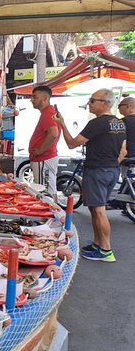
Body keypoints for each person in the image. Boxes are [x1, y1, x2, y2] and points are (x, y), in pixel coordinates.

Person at [54, 89, 127, 262]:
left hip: (98, 170)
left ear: (105, 103)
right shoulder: (119, 123)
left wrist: (62, 124)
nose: (89, 103)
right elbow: (123, 150)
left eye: (92, 100)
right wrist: (111, 165)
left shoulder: (97, 123)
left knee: (99, 210)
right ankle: (98, 243)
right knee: (95, 208)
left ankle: (106, 249)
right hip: (111, 169)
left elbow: (72, 143)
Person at [28, 85, 60, 200]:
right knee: (49, 189)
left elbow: (54, 133)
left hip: (44, 158)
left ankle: (47, 216)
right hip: (45, 158)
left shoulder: (47, 113)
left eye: (34, 97)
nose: (32, 100)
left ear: (45, 98)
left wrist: (41, 150)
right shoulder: (49, 112)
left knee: (44, 191)